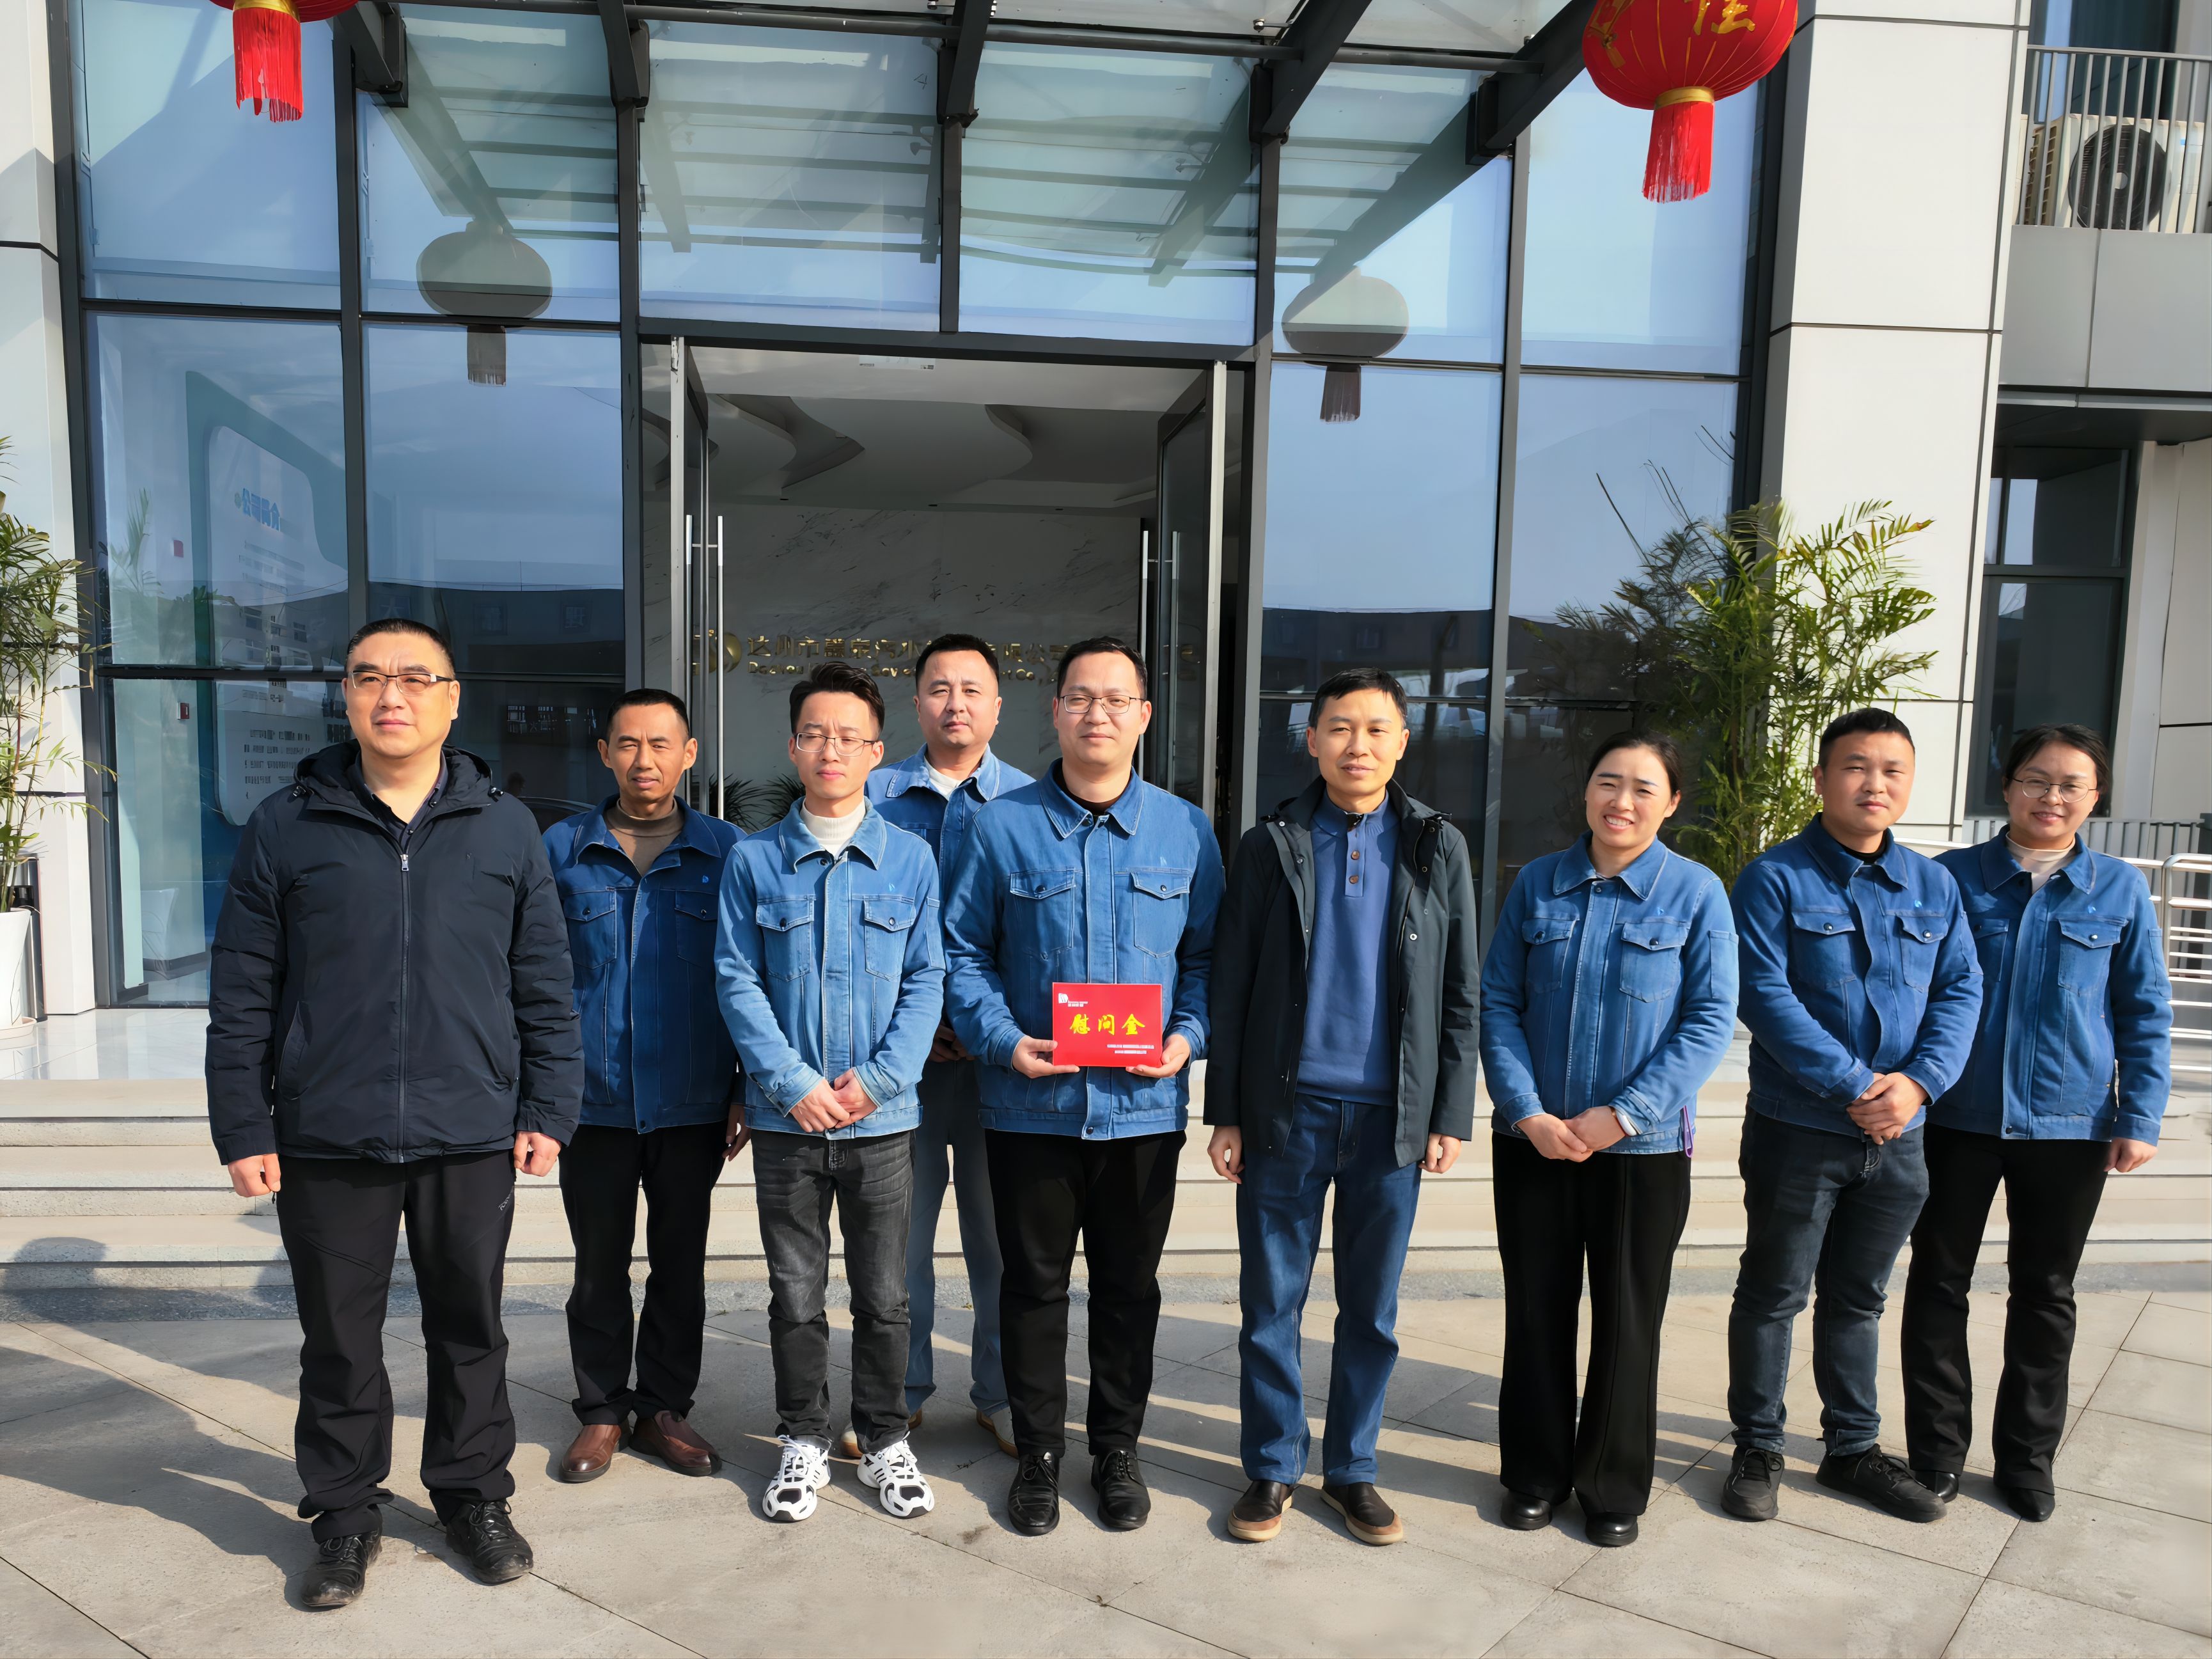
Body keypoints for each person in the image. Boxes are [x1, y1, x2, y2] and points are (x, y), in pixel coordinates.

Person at [205, 618, 581, 1610]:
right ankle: (342, 1512)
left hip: (471, 1126)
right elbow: (242, 990)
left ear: (453, 699)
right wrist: (244, 1123)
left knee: (471, 1328)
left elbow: (543, 979)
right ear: (346, 695)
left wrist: (549, 1103)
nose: (392, 695)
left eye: (416, 678)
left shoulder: (505, 826)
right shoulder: (286, 823)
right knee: (338, 1336)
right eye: (370, 676)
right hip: (327, 1129)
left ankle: (471, 1494)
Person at [943, 636, 1225, 1537]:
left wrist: (1186, 1038)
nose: (1096, 713)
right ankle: (1036, 1451)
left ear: (1143, 715)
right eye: (1079, 697)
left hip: (1142, 1108)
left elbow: (1208, 959)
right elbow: (960, 951)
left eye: (1115, 699)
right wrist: (1001, 1041)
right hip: (1032, 1105)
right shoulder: (1000, 826)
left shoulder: (1185, 830)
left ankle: (1116, 1449)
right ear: (1056, 710)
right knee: (1030, 1285)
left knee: (1127, 1288)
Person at [1205, 668, 1479, 1548]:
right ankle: (1272, 1465)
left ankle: (1353, 1468)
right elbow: (1232, 981)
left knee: (1371, 1309)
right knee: (1269, 1303)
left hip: (1389, 1119)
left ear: (1402, 741)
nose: (1356, 745)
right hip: (1286, 1111)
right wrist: (1226, 1110)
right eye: (1339, 727)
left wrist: (1449, 1110)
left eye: (1375, 728)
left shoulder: (1437, 843)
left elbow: (1461, 989)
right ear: (1312, 739)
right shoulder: (1271, 842)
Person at [1902, 724, 2171, 1521]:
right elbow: (1914, 989)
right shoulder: (1951, 878)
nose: (2052, 797)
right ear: (2007, 786)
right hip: (1956, 1116)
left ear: (2096, 796)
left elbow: (2144, 1010)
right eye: (2035, 779)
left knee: (2046, 1292)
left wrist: (2140, 1112)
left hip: (2070, 1122)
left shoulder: (2119, 889)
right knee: (1937, 1281)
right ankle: (1937, 1453)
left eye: (2071, 784)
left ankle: (2026, 1460)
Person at [1722, 708, 1981, 1525]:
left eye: (1892, 769)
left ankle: (1852, 1449)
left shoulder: (1934, 884)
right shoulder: (1774, 876)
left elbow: (1962, 989)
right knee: (1773, 1292)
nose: (1875, 783)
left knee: (1861, 1298)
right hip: (1799, 1129)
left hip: (1901, 1136)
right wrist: (1858, 1086)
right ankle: (1758, 1445)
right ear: (1822, 776)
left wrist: (1919, 1085)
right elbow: (1763, 994)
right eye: (1856, 766)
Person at [1479, 733, 1738, 1548]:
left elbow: (1709, 1020)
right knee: (1537, 1310)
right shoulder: (1537, 884)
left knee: (1628, 1321)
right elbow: (1497, 1001)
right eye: (1607, 782)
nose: (1621, 801)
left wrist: (1623, 1114)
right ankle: (1534, 1474)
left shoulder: (1696, 892)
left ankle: (1613, 1485)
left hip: (1642, 1150)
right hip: (1534, 1140)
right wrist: (1527, 1110)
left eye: (1642, 787)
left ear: (1672, 802)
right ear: (1586, 791)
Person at [715, 661, 945, 1523]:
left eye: (849, 736)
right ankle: (804, 1436)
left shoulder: (911, 859)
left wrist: (878, 1081)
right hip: (788, 1124)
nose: (830, 749)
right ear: (793, 746)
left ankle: (883, 1436)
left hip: (882, 1122)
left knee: (885, 1295)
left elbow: (927, 978)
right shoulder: (754, 860)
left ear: (876, 751)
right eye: (814, 733)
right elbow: (736, 978)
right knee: (795, 1293)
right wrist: (792, 1084)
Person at [542, 689, 744, 1484]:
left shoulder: (728, 852)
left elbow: (746, 979)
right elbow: (534, 976)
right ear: (605, 753)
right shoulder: (562, 849)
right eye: (628, 743)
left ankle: (664, 1406)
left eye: (662, 744)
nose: (644, 759)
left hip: (693, 1099)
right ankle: (600, 1409)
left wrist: (744, 1088)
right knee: (598, 1264)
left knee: (679, 1262)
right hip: (591, 1100)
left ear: (689, 754)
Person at [864, 633, 1031, 1460]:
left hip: (1004, 1066)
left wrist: (990, 1025)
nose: (955, 703)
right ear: (916, 702)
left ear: (998, 705)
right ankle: (899, 1391)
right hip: (904, 1064)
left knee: (1002, 1241)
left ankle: (1001, 1393)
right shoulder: (871, 795)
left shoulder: (1033, 803)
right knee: (898, 1242)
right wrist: (910, 1024)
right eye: (939, 687)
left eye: (971, 688)